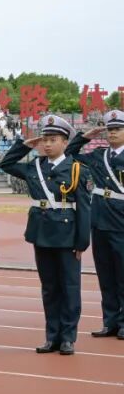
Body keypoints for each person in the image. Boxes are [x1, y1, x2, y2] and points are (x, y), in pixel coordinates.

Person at [0, 115, 91, 355]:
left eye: (53, 140)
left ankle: (68, 337)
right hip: (41, 233)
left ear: (65, 142)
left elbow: (84, 207)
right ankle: (52, 336)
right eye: (45, 140)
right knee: (49, 288)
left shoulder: (77, 169)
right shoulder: (35, 166)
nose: (48, 144)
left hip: (67, 235)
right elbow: (6, 164)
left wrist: (82, 241)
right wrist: (24, 145)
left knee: (69, 287)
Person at [65, 109, 124, 339]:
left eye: (117, 129)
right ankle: (110, 322)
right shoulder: (99, 155)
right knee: (105, 275)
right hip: (99, 222)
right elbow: (69, 153)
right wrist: (85, 137)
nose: (112, 133)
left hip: (121, 223)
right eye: (110, 130)